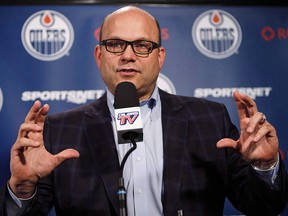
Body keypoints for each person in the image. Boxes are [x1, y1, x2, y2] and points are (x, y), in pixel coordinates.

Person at [0, 5, 287, 216]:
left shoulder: (210, 119)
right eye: (115, 44)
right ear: (99, 56)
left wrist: (264, 167)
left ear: (160, 57)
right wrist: (22, 189)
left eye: (141, 45)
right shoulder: (60, 130)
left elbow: (264, 207)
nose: (127, 55)